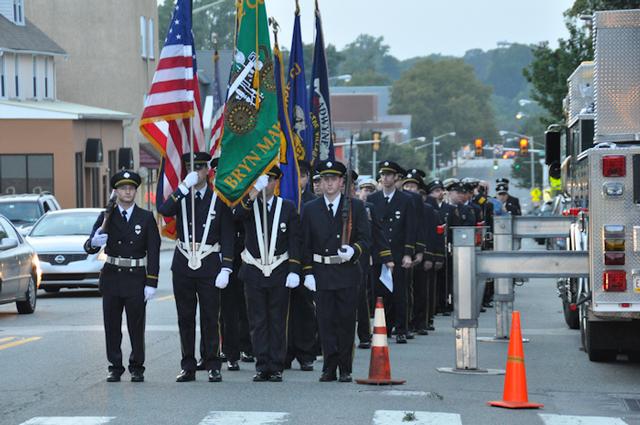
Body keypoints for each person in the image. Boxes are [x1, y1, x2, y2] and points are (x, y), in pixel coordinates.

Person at [157, 152, 234, 383]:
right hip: (183, 264)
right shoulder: (181, 196)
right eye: (193, 168)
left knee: (211, 316)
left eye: (201, 168)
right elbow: (164, 210)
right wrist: (182, 187)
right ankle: (188, 365)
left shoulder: (218, 199)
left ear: (208, 171)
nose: (197, 172)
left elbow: (227, 235)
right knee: (185, 317)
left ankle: (212, 363)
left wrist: (226, 267)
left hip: (209, 262)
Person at [85, 170, 160, 383]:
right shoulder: (106, 216)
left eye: (131, 188)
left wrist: (151, 281)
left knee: (136, 326)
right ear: (116, 191)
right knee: (112, 326)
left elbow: (153, 250)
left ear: (136, 191)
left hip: (136, 277)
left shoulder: (145, 217)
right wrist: (94, 242)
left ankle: (137, 366)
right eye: (123, 188)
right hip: (112, 277)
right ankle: (115, 366)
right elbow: (89, 246)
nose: (127, 192)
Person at [301, 160, 371, 382]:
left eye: (333, 179)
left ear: (342, 182)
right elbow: (305, 243)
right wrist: (308, 272)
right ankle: (328, 367)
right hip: (321, 271)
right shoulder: (310, 208)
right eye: (325, 179)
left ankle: (345, 367)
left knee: (346, 321)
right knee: (325, 321)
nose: (329, 183)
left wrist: (354, 250)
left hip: (347, 272)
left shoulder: (355, 207)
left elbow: (366, 239)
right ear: (320, 183)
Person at [235, 166, 302, 382]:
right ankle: (262, 364)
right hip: (254, 270)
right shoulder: (250, 204)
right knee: (258, 321)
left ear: (277, 182)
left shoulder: (288, 207)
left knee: (277, 320)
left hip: (279, 270)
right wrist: (254, 191)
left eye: (271, 179)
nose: (268, 183)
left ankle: (276, 366)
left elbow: (294, 240)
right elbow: (236, 215)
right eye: (265, 179)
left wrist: (294, 269)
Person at [367, 161, 416, 343]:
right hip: (378, 254)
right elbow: (370, 228)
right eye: (383, 174)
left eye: (389, 174)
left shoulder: (406, 200)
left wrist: (407, 253)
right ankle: (383, 327)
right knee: (379, 292)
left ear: (396, 177)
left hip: (397, 252)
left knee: (399, 292)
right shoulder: (373, 199)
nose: (385, 178)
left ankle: (401, 328)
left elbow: (410, 228)